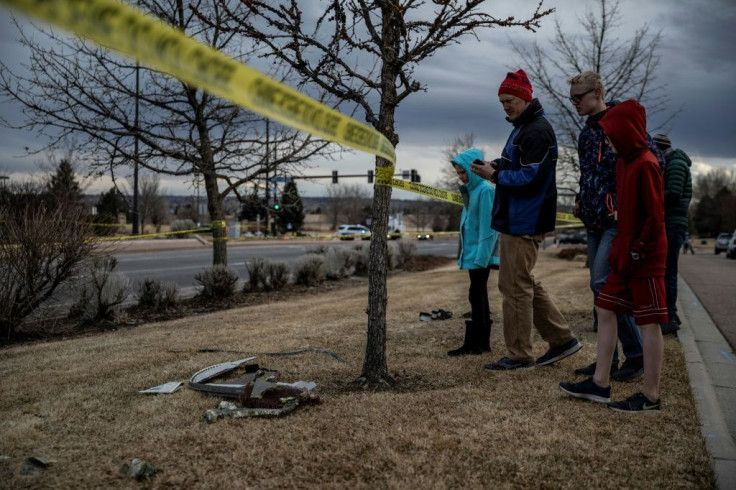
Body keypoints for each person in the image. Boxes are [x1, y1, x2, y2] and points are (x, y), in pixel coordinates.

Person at [560, 100, 668, 412]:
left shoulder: (647, 163)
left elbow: (655, 218)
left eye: (611, 135)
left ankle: (650, 396)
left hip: (645, 257)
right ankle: (600, 383)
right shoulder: (623, 163)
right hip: (624, 252)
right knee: (605, 308)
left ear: (627, 132)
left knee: (649, 324)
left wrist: (637, 249)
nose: (607, 141)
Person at [472, 69, 581, 371]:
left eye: (509, 100)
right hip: (518, 218)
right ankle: (562, 340)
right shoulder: (523, 127)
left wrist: (494, 175)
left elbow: (531, 179)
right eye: (501, 101)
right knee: (522, 282)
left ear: (524, 98)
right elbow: (516, 164)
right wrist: (495, 164)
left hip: (524, 220)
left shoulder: (535, 130)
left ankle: (520, 356)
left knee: (515, 288)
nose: (505, 106)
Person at [567, 72, 649, 382]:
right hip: (593, 221)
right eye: (571, 98)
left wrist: (622, 203)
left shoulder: (621, 122)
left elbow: (649, 158)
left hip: (616, 222)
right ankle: (608, 359)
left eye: (579, 97)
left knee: (604, 286)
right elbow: (587, 173)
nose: (575, 103)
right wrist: (580, 199)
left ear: (597, 92)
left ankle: (637, 354)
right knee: (598, 287)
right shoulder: (586, 132)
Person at [447, 148, 500, 356]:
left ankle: (476, 343)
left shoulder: (485, 191)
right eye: (458, 173)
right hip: (473, 254)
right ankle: (480, 343)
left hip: (481, 256)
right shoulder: (471, 192)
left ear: (474, 169)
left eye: (463, 172)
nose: (461, 177)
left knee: (476, 294)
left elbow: (489, 228)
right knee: (477, 295)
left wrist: (481, 257)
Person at [653, 134, 693, 335]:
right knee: (666, 270)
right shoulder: (673, 162)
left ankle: (669, 317)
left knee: (668, 271)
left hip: (672, 223)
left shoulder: (676, 164)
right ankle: (670, 314)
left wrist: (651, 199)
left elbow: (673, 194)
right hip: (672, 223)